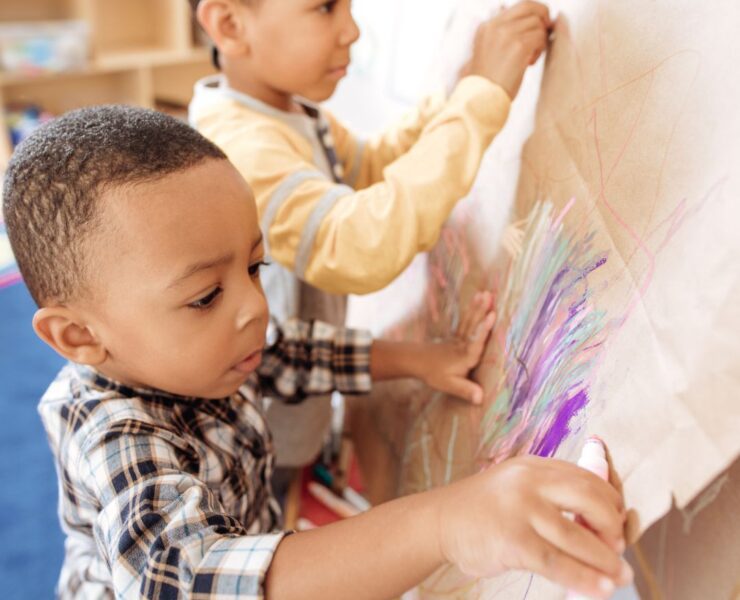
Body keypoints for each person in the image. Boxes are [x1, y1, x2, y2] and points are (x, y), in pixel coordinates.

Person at [3, 106, 631, 599]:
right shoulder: (114, 435)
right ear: (81, 338)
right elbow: (191, 580)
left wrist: (419, 359)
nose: (253, 306)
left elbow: (290, 354)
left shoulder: (206, 350)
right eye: (205, 296)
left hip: (253, 526)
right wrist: (447, 522)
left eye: (255, 266)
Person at [188, 0, 553, 468]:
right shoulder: (242, 149)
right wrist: (481, 96)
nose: (353, 30)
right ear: (230, 25)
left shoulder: (286, 111)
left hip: (298, 418)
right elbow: (356, 244)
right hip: (257, 448)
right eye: (324, 8)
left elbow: (372, 167)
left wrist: (457, 91)